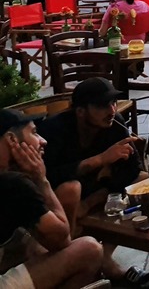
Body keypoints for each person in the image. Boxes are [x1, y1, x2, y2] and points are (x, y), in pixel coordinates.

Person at [37, 79, 149, 288]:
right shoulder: (54, 130)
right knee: (70, 189)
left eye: (113, 103)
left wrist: (95, 198)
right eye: (102, 105)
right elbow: (47, 176)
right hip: (61, 197)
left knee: (145, 181)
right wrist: (99, 160)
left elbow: (133, 170)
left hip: (95, 191)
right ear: (81, 111)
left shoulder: (115, 123)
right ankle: (71, 259)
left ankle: (105, 259)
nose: (111, 110)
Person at [0, 109, 104, 289]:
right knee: (89, 249)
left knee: (32, 243)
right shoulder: (13, 183)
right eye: (34, 132)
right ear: (12, 140)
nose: (43, 140)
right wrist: (41, 179)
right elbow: (62, 239)